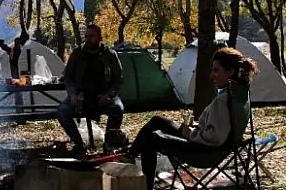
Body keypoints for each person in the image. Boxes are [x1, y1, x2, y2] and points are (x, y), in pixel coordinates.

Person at [125, 48, 258, 190]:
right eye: (212, 70)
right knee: (158, 120)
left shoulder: (224, 101)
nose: (212, 75)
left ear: (230, 72)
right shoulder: (240, 94)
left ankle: (145, 184)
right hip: (213, 147)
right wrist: (194, 127)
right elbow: (219, 129)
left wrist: (190, 133)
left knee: (152, 138)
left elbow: (215, 138)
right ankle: (130, 155)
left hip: (203, 153)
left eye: (216, 70)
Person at [57, 24, 124, 155]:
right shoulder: (77, 54)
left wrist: (109, 95)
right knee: (62, 112)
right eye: (86, 36)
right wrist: (72, 95)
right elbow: (68, 77)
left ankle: (109, 144)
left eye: (92, 36)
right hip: (82, 96)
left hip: (103, 95)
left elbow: (118, 78)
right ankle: (78, 143)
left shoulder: (110, 54)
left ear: (100, 38)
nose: (88, 39)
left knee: (117, 109)